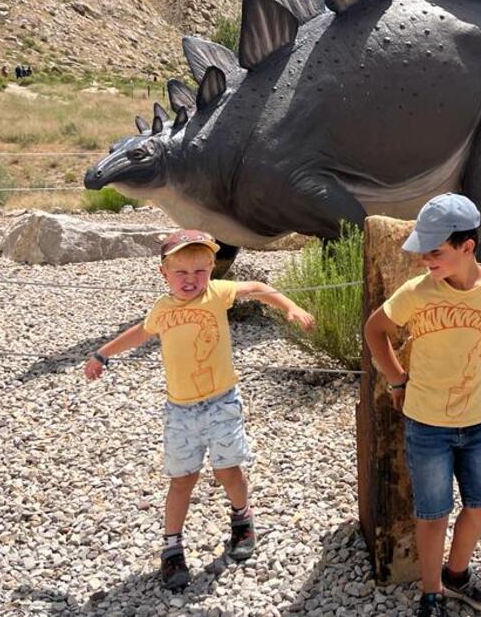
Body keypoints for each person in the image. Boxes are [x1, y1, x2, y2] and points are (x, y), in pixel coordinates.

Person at [83, 230, 314, 591]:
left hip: (221, 402)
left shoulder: (216, 295)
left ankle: (242, 519)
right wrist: (103, 353)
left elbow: (254, 287)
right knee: (182, 479)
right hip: (180, 411)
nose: (190, 280)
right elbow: (140, 333)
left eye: (199, 271)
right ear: (164, 273)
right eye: (181, 272)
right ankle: (172, 547)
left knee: (228, 470)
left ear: (211, 270)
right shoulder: (163, 309)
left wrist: (290, 306)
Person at [363, 193, 481, 617]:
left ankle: (458, 574)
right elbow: (375, 330)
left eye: (435, 252)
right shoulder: (418, 292)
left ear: (467, 247)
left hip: (479, 423)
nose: (424, 260)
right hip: (427, 424)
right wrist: (397, 379)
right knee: (433, 513)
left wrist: (479, 367)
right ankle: (430, 593)